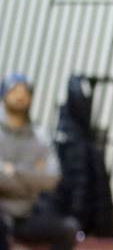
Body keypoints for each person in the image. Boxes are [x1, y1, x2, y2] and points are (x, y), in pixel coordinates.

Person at [0, 73, 80, 250]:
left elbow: (52, 178)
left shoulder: (40, 136)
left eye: (25, 91)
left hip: (26, 213)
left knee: (69, 228)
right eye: (15, 90)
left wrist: (13, 170)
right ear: (4, 95)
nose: (21, 96)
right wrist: (32, 175)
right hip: (1, 211)